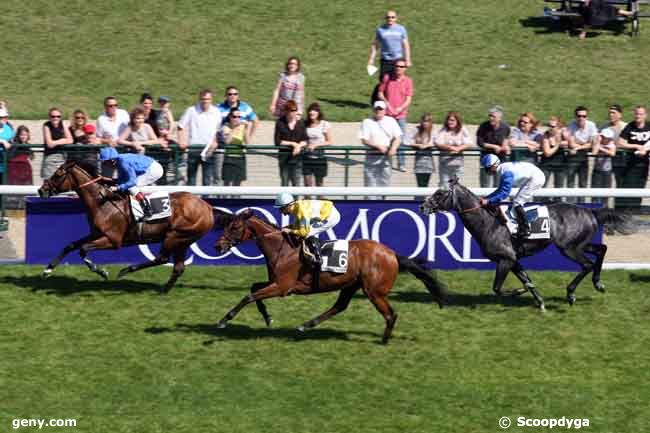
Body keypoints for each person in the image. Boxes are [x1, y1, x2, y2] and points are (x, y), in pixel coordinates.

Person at [274, 191, 341, 291]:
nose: (282, 213)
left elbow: (303, 232)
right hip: (325, 212)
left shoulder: (301, 210)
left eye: (281, 209)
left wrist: (289, 230)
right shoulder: (296, 208)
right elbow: (297, 225)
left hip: (330, 216)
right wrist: (290, 228)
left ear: (288, 206)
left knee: (308, 233)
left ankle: (317, 259)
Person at [479, 153, 546, 238]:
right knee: (516, 202)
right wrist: (486, 198)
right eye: (486, 168)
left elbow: (505, 193)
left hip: (536, 178)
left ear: (494, 165)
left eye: (488, 168)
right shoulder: (502, 169)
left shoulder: (506, 173)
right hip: (532, 176)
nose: (486, 171)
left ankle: (525, 229)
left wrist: (488, 201)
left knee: (517, 202)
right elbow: (500, 190)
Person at [99, 147, 163, 218]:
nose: (104, 164)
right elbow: (121, 180)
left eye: (105, 162)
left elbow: (132, 182)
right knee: (127, 185)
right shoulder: (119, 161)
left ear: (112, 160)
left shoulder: (123, 162)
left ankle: (147, 210)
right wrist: (108, 180)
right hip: (150, 167)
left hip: (154, 170)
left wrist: (117, 188)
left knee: (132, 187)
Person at [177, 88, 222, 186]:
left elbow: (217, 130)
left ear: (211, 100)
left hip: (208, 149)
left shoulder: (216, 112)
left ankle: (206, 200)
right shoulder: (191, 110)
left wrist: (215, 142)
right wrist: (182, 141)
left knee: (207, 179)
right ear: (199, 99)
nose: (205, 101)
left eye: (207, 99)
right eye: (203, 99)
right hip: (194, 148)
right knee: (191, 179)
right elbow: (180, 126)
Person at [377, 58, 413, 171]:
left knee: (400, 139)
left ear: (405, 68)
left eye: (401, 67)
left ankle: (401, 163)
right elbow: (380, 92)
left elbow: (408, 98)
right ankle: (385, 161)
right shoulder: (387, 78)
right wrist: (387, 105)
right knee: (386, 138)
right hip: (388, 113)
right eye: (397, 66)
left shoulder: (408, 81)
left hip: (401, 114)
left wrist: (400, 108)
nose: (398, 68)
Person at [359, 100, 401, 194]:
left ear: (385, 110)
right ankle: (371, 205)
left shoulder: (391, 121)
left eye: (381, 109)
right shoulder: (367, 122)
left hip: (386, 157)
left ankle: (383, 204)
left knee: (385, 182)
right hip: (371, 156)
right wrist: (377, 146)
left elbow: (398, 137)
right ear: (373, 110)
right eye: (377, 109)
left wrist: (393, 148)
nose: (378, 111)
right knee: (370, 183)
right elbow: (364, 139)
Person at [615, 105, 650, 209]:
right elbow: (620, 143)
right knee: (627, 187)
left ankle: (635, 211)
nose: (638, 116)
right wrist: (637, 146)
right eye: (636, 113)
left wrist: (645, 150)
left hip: (644, 164)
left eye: (640, 114)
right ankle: (623, 212)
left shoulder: (649, 126)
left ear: (645, 115)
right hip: (629, 164)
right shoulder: (630, 126)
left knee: (639, 188)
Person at [367, 10, 411, 81]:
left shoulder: (401, 29)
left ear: (396, 18)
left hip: (398, 60)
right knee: (383, 81)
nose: (390, 19)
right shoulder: (380, 30)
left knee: (396, 81)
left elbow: (406, 45)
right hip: (385, 61)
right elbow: (375, 46)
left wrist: (408, 60)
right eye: (388, 17)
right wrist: (371, 59)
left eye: (392, 17)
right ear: (385, 18)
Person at [566, 106, 598, 203]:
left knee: (583, 183)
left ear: (587, 117)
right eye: (579, 116)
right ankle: (569, 204)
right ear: (575, 116)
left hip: (583, 156)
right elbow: (571, 142)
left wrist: (578, 147)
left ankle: (581, 204)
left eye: (584, 116)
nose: (581, 118)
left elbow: (593, 143)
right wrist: (584, 145)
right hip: (573, 156)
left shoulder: (591, 125)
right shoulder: (571, 125)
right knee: (570, 182)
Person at [274, 99, 308, 186]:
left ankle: (295, 200)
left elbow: (305, 140)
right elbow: (277, 141)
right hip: (284, 159)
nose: (293, 113)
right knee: (284, 183)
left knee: (296, 185)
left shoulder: (301, 123)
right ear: (286, 111)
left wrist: (299, 146)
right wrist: (293, 144)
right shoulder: (280, 123)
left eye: (295, 110)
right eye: (291, 111)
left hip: (297, 158)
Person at [435, 111, 472, 188]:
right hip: (444, 164)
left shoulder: (462, 129)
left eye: (452, 120)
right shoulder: (443, 130)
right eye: (449, 120)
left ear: (457, 121)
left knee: (457, 187)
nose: (450, 122)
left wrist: (459, 148)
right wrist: (450, 147)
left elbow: (469, 143)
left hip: (457, 164)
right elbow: (438, 142)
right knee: (445, 186)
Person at [476, 106, 510, 187]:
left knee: (498, 184)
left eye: (493, 117)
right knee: (485, 185)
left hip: (500, 160)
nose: (491, 118)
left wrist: (505, 147)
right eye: (490, 116)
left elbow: (505, 140)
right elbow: (480, 142)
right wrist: (494, 147)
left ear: (499, 118)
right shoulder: (483, 126)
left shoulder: (505, 127)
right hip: (486, 159)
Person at [212, 108, 248, 187]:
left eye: (239, 117)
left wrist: (246, 129)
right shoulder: (225, 127)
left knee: (238, 182)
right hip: (228, 157)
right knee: (227, 182)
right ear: (230, 117)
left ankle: (236, 199)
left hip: (240, 157)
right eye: (234, 117)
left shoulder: (242, 127)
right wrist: (234, 128)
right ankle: (226, 199)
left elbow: (247, 142)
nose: (237, 119)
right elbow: (227, 141)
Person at [96, 96, 130, 177]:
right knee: (108, 177)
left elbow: (132, 127)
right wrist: (107, 141)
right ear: (105, 107)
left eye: (115, 105)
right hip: (110, 153)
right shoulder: (101, 119)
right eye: (110, 106)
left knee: (126, 175)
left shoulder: (123, 113)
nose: (113, 107)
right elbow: (98, 138)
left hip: (125, 149)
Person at [303, 102, 332, 188]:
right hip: (307, 158)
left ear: (318, 112)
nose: (312, 112)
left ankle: (320, 200)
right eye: (310, 111)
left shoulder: (324, 124)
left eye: (314, 110)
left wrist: (316, 145)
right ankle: (308, 201)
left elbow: (329, 141)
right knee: (307, 185)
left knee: (319, 185)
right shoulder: (304, 124)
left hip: (320, 159)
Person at [540, 116, 570, 193]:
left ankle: (558, 204)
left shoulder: (563, 135)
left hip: (560, 165)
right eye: (549, 125)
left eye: (553, 126)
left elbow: (571, 142)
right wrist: (558, 145)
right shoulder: (545, 136)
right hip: (546, 164)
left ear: (558, 127)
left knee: (559, 189)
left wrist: (564, 136)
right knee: (542, 185)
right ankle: (540, 203)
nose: (550, 128)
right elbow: (547, 153)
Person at [42, 107, 73, 179]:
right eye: (53, 116)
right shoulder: (46, 125)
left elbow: (70, 140)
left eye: (58, 116)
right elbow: (49, 144)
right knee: (48, 181)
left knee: (61, 181)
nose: (56, 118)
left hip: (61, 157)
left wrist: (56, 142)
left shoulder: (63, 124)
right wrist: (63, 140)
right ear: (49, 117)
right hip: (50, 158)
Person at [591, 127, 617, 205]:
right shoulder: (597, 143)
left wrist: (602, 149)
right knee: (595, 190)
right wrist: (598, 144)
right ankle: (595, 206)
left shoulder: (611, 145)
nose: (604, 139)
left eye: (607, 138)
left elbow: (612, 153)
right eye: (603, 137)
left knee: (606, 191)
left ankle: (604, 206)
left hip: (607, 171)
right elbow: (594, 153)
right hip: (597, 170)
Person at [410, 113, 435, 188]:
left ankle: (424, 199)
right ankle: (419, 200)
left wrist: (426, 145)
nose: (425, 123)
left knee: (425, 185)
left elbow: (435, 141)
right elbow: (408, 141)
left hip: (428, 163)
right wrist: (418, 145)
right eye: (424, 121)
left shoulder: (433, 130)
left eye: (427, 121)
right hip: (418, 163)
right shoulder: (417, 130)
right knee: (420, 185)